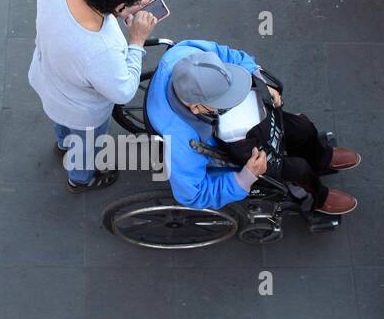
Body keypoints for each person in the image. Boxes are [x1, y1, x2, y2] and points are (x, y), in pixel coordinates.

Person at [145, 40, 361, 213]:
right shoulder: (180, 146)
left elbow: (229, 56)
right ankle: (316, 199)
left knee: (302, 127)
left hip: (230, 123)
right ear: (195, 108)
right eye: (224, 101)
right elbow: (193, 195)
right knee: (297, 169)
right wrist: (244, 178)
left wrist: (259, 77)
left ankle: (321, 158)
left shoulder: (187, 54)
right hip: (219, 149)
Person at [28, 0, 160, 192]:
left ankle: (62, 144)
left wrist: (117, 11)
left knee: (63, 126)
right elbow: (123, 92)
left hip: (45, 78)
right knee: (85, 146)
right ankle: (80, 179)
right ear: (119, 4)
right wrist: (136, 41)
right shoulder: (102, 48)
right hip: (81, 110)